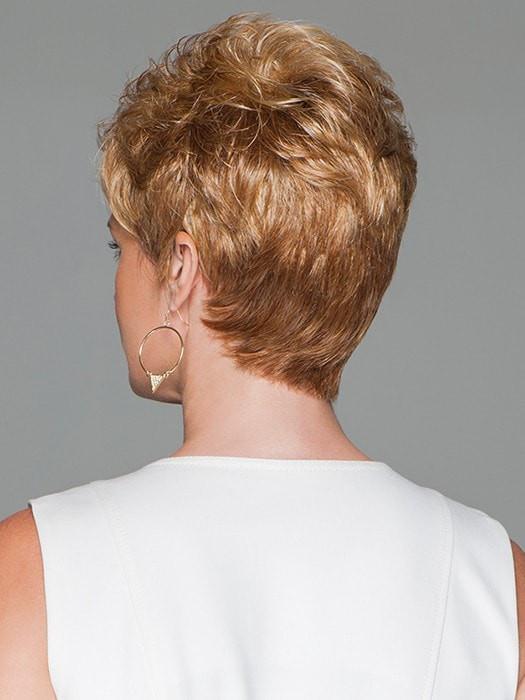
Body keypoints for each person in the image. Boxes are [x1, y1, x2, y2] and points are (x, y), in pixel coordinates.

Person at [0, 10, 523, 699]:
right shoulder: (497, 582)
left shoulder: (34, 571)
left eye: (118, 246)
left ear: (180, 267)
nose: (118, 280)